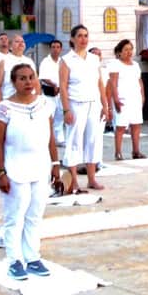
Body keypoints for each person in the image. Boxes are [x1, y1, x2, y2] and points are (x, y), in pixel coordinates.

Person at [0, 62, 61, 281]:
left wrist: (55, 164)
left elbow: (50, 137)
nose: (28, 82)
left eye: (31, 77)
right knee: (15, 214)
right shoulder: (4, 108)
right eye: (22, 78)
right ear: (13, 82)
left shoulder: (44, 104)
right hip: (15, 167)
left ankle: (32, 256)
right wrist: (1, 172)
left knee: (35, 213)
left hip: (40, 166)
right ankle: (14, 260)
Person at [60, 25, 108, 193]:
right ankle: (73, 180)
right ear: (73, 39)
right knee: (74, 141)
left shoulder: (94, 59)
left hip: (94, 103)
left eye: (86, 35)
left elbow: (100, 83)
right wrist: (66, 110)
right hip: (75, 103)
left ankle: (92, 178)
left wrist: (105, 104)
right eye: (79, 36)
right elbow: (63, 86)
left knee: (93, 140)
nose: (83, 39)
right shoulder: (66, 60)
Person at [108, 40, 145, 160]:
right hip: (122, 98)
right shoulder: (115, 64)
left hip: (135, 98)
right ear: (120, 52)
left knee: (136, 124)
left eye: (130, 49)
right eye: (126, 50)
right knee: (120, 126)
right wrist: (116, 99)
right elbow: (113, 83)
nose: (129, 52)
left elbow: (139, 81)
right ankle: (118, 152)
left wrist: (142, 95)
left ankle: (136, 151)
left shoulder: (135, 65)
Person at [37, 40, 64, 144]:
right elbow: (43, 77)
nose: (55, 49)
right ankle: (48, 139)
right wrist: (54, 85)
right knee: (49, 116)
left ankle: (60, 139)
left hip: (61, 93)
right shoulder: (45, 61)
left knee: (60, 116)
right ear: (50, 48)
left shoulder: (62, 62)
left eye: (58, 47)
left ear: (61, 49)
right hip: (49, 93)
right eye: (53, 47)